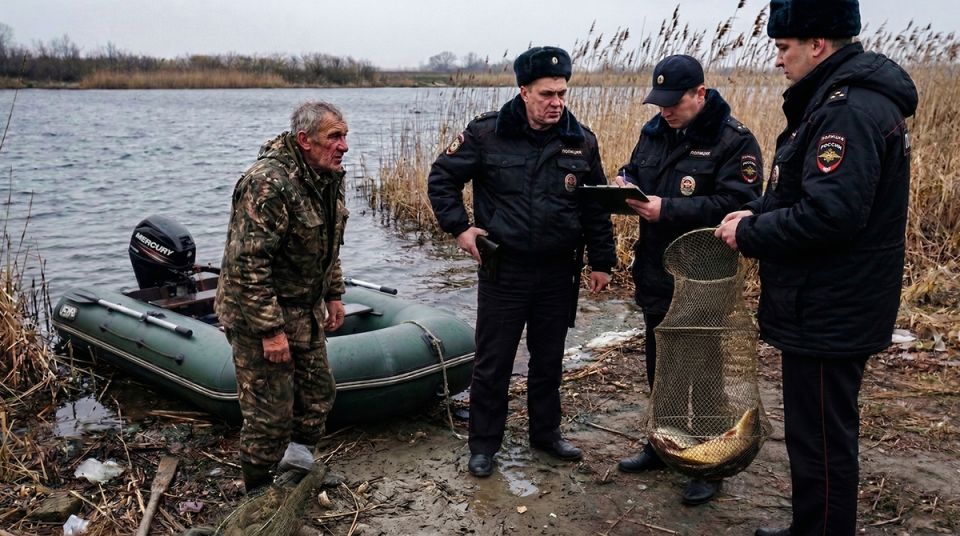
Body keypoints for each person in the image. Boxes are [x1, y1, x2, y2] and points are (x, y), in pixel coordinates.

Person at [714, 1, 917, 533]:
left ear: (818, 45)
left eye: (784, 48)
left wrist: (749, 234)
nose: (779, 59)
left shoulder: (847, 112)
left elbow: (830, 216)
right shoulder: (836, 101)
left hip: (831, 306)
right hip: (826, 302)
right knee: (813, 434)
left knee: (822, 441)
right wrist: (754, 211)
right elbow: (801, 192)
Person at [427, 46, 617, 478]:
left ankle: (545, 434)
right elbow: (442, 178)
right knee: (493, 361)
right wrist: (460, 229)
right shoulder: (487, 134)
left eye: (562, 94)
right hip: (505, 269)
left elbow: (595, 207)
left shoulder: (580, 141)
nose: (556, 103)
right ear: (524, 92)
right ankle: (483, 445)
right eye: (547, 94)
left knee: (548, 359)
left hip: (558, 271)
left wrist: (602, 261)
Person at [612, 54, 763, 505]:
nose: (665, 111)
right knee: (661, 363)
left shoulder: (734, 141)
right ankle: (665, 443)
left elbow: (741, 204)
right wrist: (624, 182)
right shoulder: (654, 131)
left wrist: (668, 209)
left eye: (673, 102)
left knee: (705, 369)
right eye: (659, 103)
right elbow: (638, 170)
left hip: (705, 277)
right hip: (657, 270)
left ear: (700, 93)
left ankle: (712, 462)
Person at [214, 101, 350, 493]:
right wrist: (270, 331)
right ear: (305, 140)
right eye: (334, 137)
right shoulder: (267, 184)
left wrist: (334, 293)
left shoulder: (327, 177)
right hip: (257, 313)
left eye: (344, 136)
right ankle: (257, 489)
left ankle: (298, 465)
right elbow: (247, 264)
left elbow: (328, 243)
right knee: (269, 414)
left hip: (303, 308)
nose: (343, 146)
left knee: (318, 395)